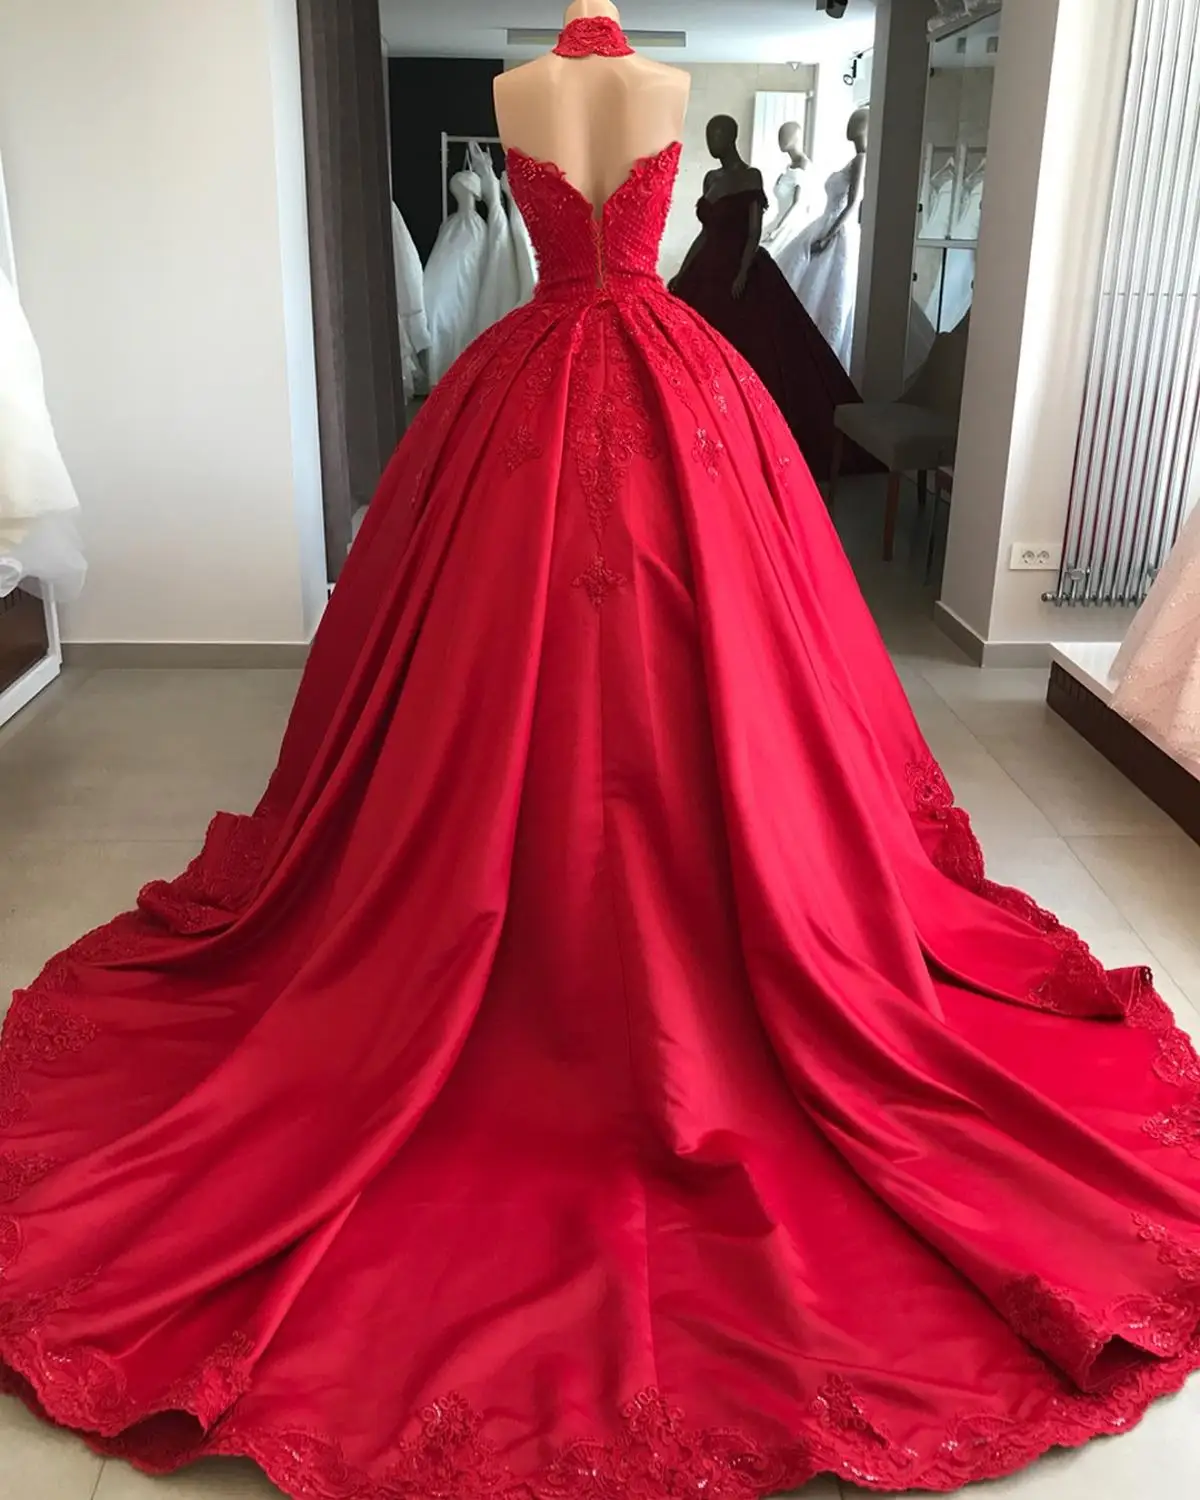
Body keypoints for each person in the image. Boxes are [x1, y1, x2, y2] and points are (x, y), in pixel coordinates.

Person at [2, 8, 1200, 1499]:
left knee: (698, 690)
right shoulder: (591, 87)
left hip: (566, 386)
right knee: (512, 689)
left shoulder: (568, 89)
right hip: (648, 384)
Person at [670, 114, 872, 481]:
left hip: (739, 270)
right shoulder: (711, 179)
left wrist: (743, 271)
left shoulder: (751, 177)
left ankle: (746, 437)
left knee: (756, 352)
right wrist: (684, 272)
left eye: (717, 134)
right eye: (709, 135)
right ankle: (698, 431)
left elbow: (753, 231)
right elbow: (705, 234)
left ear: (730, 137)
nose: (712, 142)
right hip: (707, 269)